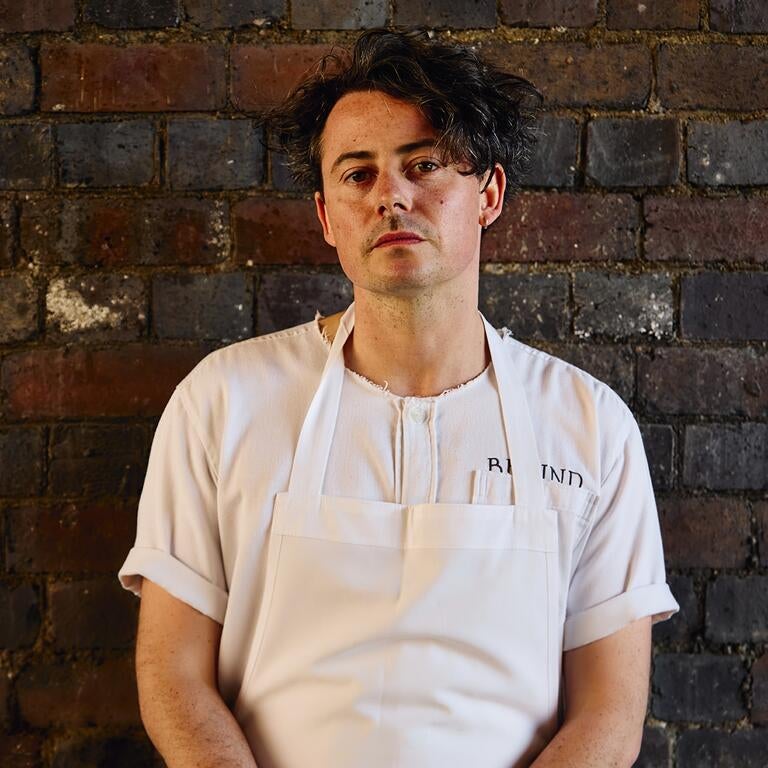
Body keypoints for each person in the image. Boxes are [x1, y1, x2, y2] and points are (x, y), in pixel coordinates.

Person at [118, 28, 679, 768]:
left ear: (489, 195)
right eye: (358, 175)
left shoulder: (588, 424)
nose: (391, 196)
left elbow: (609, 711)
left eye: (424, 165)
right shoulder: (223, 401)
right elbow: (172, 674)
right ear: (326, 216)